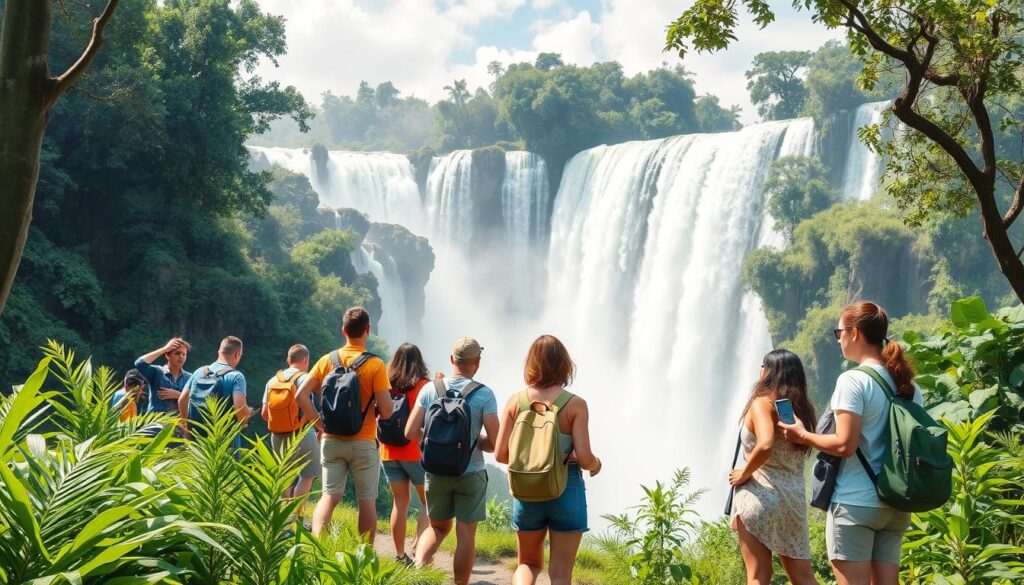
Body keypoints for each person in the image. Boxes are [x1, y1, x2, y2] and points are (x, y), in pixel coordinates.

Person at [779, 301, 923, 585]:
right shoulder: (910, 386)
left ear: (855, 333)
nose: (839, 339)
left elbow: (845, 444)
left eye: (839, 332)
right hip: (895, 504)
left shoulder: (853, 381)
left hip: (856, 503)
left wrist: (802, 435)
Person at [494, 334, 602, 585]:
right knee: (561, 574)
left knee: (527, 564)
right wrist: (596, 464)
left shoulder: (515, 402)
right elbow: (585, 459)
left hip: (526, 490)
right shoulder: (575, 405)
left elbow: (500, 454)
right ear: (564, 365)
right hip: (566, 489)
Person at [404, 336, 499, 585]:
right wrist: (474, 441)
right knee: (465, 532)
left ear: (451, 360)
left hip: (435, 472)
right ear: (477, 362)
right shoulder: (484, 395)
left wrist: (434, 443)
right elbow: (495, 442)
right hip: (471, 473)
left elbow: (410, 432)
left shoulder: (430, 389)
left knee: (437, 528)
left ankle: (419, 576)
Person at [295, 306, 395, 539]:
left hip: (331, 440)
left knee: (329, 496)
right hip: (364, 442)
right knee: (367, 501)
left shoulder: (326, 361)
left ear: (343, 330)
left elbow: (300, 395)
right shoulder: (375, 365)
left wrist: (320, 425)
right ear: (368, 330)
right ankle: (364, 559)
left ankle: (318, 547)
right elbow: (388, 411)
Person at [728, 349, 818, 585]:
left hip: (760, 496)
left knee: (758, 576)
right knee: (803, 577)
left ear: (768, 372)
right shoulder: (801, 410)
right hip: (792, 501)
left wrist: (743, 473)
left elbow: (766, 444)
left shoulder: (762, 403)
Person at [381, 343, 431, 565]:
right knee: (427, 503)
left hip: (388, 452)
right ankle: (420, 547)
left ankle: (400, 555)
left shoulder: (385, 385)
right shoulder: (424, 386)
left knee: (399, 504)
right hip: (414, 453)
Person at [261, 344, 320, 522]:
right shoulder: (304, 378)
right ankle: (297, 517)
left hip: (277, 435)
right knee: (307, 475)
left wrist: (281, 422)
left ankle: (282, 520)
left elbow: (265, 414)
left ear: (288, 360)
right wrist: (318, 425)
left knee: (284, 477)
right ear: (305, 360)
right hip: (302, 434)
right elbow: (309, 406)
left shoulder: (272, 380)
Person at [178, 335, 252, 449]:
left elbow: (182, 399)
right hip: (224, 443)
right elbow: (240, 409)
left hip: (197, 438)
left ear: (219, 352)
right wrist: (247, 416)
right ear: (237, 354)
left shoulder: (199, 371)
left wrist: (186, 426)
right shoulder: (236, 376)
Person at [135, 338, 192, 416]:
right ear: (167, 356)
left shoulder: (190, 377)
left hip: (179, 426)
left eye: (184, 354)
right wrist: (164, 349)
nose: (181, 356)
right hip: (157, 425)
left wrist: (179, 395)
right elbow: (139, 364)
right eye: (177, 353)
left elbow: (197, 400)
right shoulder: (157, 372)